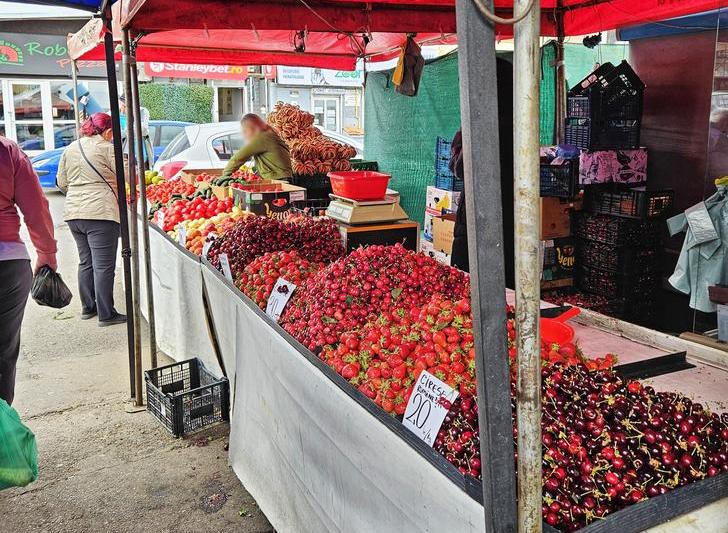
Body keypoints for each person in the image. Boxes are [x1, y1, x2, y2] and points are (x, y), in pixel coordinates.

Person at [0, 137, 57, 405]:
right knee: (2, 353)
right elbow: (35, 206)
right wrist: (46, 254)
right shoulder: (7, 150)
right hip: (7, 265)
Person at [450, 57, 515, 289]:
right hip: (510, 216)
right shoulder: (519, 121)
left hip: (478, 216)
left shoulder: (480, 124)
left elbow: (460, 168)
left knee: (467, 284)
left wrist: (460, 142)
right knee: (504, 284)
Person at [57, 113, 126, 327]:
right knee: (103, 266)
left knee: (86, 261)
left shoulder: (70, 148)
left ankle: (88, 308)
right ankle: (106, 314)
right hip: (100, 213)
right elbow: (125, 176)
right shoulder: (107, 147)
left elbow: (61, 181)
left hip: (73, 213)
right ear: (107, 131)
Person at [222, 114, 293, 181]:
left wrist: (224, 177)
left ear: (252, 128)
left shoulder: (263, 137)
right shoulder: (270, 135)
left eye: (245, 131)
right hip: (284, 178)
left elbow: (237, 159)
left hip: (278, 180)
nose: (245, 135)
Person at [118, 94, 153, 168]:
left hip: (141, 151)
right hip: (125, 152)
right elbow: (118, 134)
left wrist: (126, 131)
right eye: (123, 106)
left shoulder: (142, 111)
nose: (124, 109)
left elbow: (143, 130)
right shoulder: (115, 115)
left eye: (127, 107)